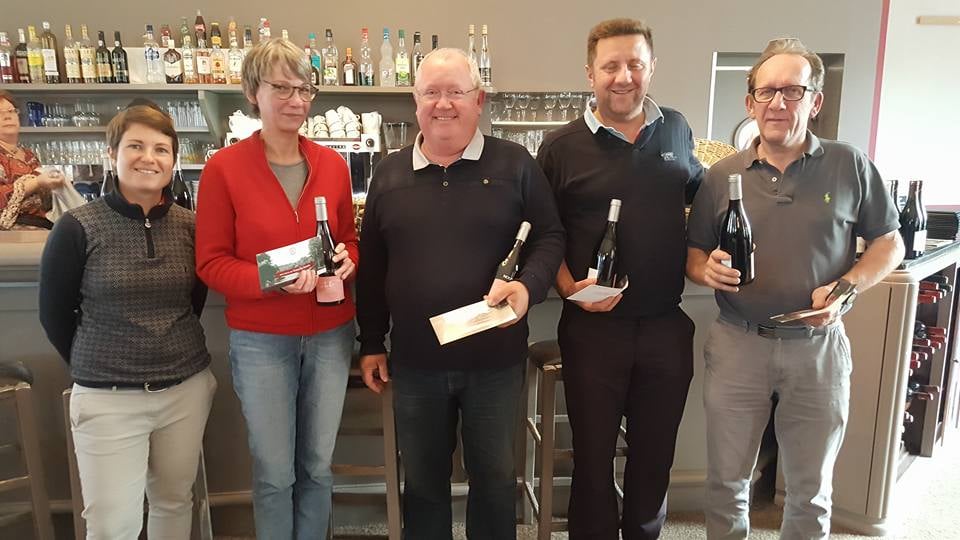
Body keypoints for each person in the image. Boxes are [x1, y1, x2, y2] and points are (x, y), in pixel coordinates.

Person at [685, 38, 904, 539]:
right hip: (738, 344)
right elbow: (694, 253)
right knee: (726, 485)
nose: (778, 103)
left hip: (818, 349)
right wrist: (704, 270)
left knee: (811, 491)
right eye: (767, 92)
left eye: (793, 91)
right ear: (750, 103)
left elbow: (889, 242)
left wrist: (848, 285)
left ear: (815, 101)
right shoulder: (721, 176)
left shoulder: (849, 164)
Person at [356, 48, 564, 539]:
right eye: (431, 92)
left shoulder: (515, 164)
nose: (443, 104)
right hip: (415, 362)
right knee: (423, 484)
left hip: (494, 361)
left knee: (494, 481)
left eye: (455, 92)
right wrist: (371, 342)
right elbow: (373, 267)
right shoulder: (388, 174)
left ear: (479, 99)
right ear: (416, 101)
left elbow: (550, 236)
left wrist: (528, 285)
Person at [536, 18, 704, 539]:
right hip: (593, 330)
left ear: (652, 68)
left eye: (635, 64)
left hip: (665, 325)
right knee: (592, 460)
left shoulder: (676, 129)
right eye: (611, 66)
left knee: (654, 459)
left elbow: (701, 198)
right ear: (590, 74)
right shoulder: (560, 147)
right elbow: (544, 232)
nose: (624, 76)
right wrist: (568, 288)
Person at [194, 37, 358, 539]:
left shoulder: (332, 164)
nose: (296, 100)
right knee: (274, 474)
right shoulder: (224, 169)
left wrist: (349, 260)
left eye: (304, 89)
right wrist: (273, 282)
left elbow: (349, 240)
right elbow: (211, 264)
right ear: (253, 92)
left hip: (330, 333)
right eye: (282, 88)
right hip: (261, 340)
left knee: (317, 467)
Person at [38, 104, 216, 539]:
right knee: (112, 524)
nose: (148, 158)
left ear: (173, 161)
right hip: (108, 398)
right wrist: (101, 362)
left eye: (161, 149)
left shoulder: (192, 227)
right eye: (136, 146)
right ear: (112, 154)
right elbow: (54, 314)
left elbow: (193, 302)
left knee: (174, 502)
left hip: (184, 389)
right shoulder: (78, 227)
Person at [0, 90, 66, 229]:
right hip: (11, 235)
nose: (7, 117)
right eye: (0, 113)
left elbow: (44, 202)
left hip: (44, 227)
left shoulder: (29, 155)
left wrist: (57, 186)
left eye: (11, 111)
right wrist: (36, 182)